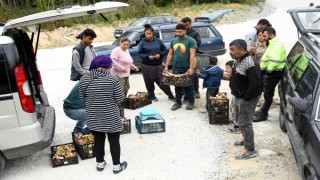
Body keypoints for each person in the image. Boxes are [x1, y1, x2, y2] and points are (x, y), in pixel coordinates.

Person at [79, 55, 127, 173]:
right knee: (114, 141)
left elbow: (81, 98)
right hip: (111, 115)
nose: (111, 67)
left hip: (93, 116)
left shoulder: (84, 79)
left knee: (98, 140)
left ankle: (100, 164)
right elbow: (120, 98)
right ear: (107, 67)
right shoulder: (112, 79)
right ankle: (116, 166)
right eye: (110, 65)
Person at [229, 39, 261, 159]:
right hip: (239, 96)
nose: (230, 52)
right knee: (238, 119)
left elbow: (256, 84)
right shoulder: (238, 59)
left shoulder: (250, 63)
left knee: (245, 123)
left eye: (232, 49)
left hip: (247, 98)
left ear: (242, 49)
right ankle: (244, 138)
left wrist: (246, 99)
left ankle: (250, 149)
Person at [254, 27, 286, 122]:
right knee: (267, 93)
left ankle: (263, 114)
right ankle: (263, 110)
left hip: (273, 73)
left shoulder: (277, 45)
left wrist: (268, 72)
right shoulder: (272, 44)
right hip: (270, 73)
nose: (263, 38)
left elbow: (275, 61)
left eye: (265, 36)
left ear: (271, 35)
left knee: (268, 94)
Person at [137, 24, 175, 101]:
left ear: (153, 33)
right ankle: (152, 96)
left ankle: (170, 95)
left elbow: (165, 50)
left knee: (163, 81)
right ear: (144, 34)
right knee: (149, 82)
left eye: (149, 33)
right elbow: (139, 54)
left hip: (158, 65)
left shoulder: (158, 41)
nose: (148, 35)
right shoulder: (142, 43)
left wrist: (160, 54)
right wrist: (148, 56)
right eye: (146, 34)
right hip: (146, 66)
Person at [164, 23, 197, 111]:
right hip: (176, 67)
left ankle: (191, 102)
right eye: (177, 32)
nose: (178, 33)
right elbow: (170, 54)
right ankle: (178, 102)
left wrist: (191, 68)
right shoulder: (173, 41)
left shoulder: (191, 41)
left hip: (186, 67)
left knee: (188, 85)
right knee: (177, 85)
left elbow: (192, 55)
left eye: (180, 32)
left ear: (185, 31)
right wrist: (166, 66)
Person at [181, 17, 202, 99]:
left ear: (190, 24)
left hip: (193, 56)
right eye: (184, 25)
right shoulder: (179, 33)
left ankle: (196, 91)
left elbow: (198, 44)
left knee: (194, 74)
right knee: (183, 74)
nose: (185, 27)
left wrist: (189, 46)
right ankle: (184, 92)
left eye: (187, 25)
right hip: (183, 57)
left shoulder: (195, 33)